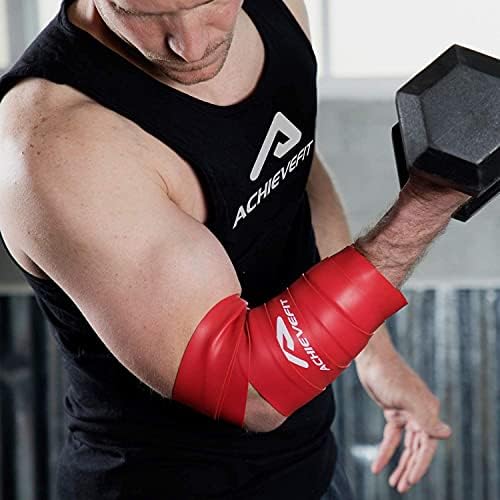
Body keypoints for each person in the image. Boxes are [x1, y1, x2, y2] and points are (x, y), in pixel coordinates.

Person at [0, 0, 466, 498]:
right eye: (143, 13)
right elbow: (252, 387)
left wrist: (375, 353)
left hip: (312, 465)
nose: (190, 46)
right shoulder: (56, 145)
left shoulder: (278, 11)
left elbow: (294, 177)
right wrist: (425, 207)